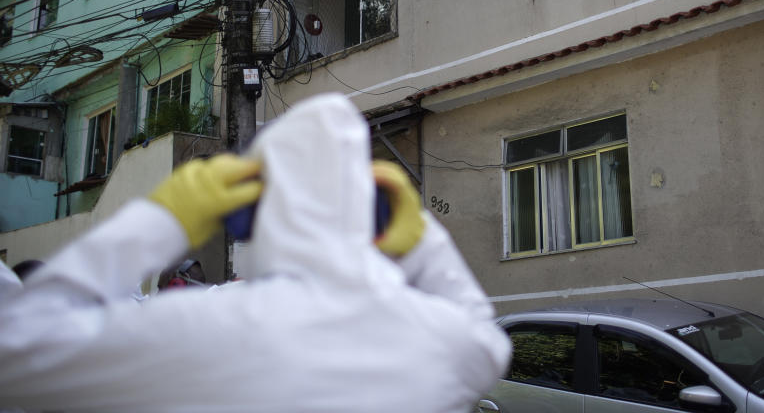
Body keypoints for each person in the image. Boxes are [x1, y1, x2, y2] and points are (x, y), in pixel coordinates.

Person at [0, 93, 510, 412]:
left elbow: (16, 352)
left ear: (251, 209)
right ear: (372, 211)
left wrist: (166, 218)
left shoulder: (207, 326)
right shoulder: (436, 339)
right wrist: (422, 239)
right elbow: (487, 336)